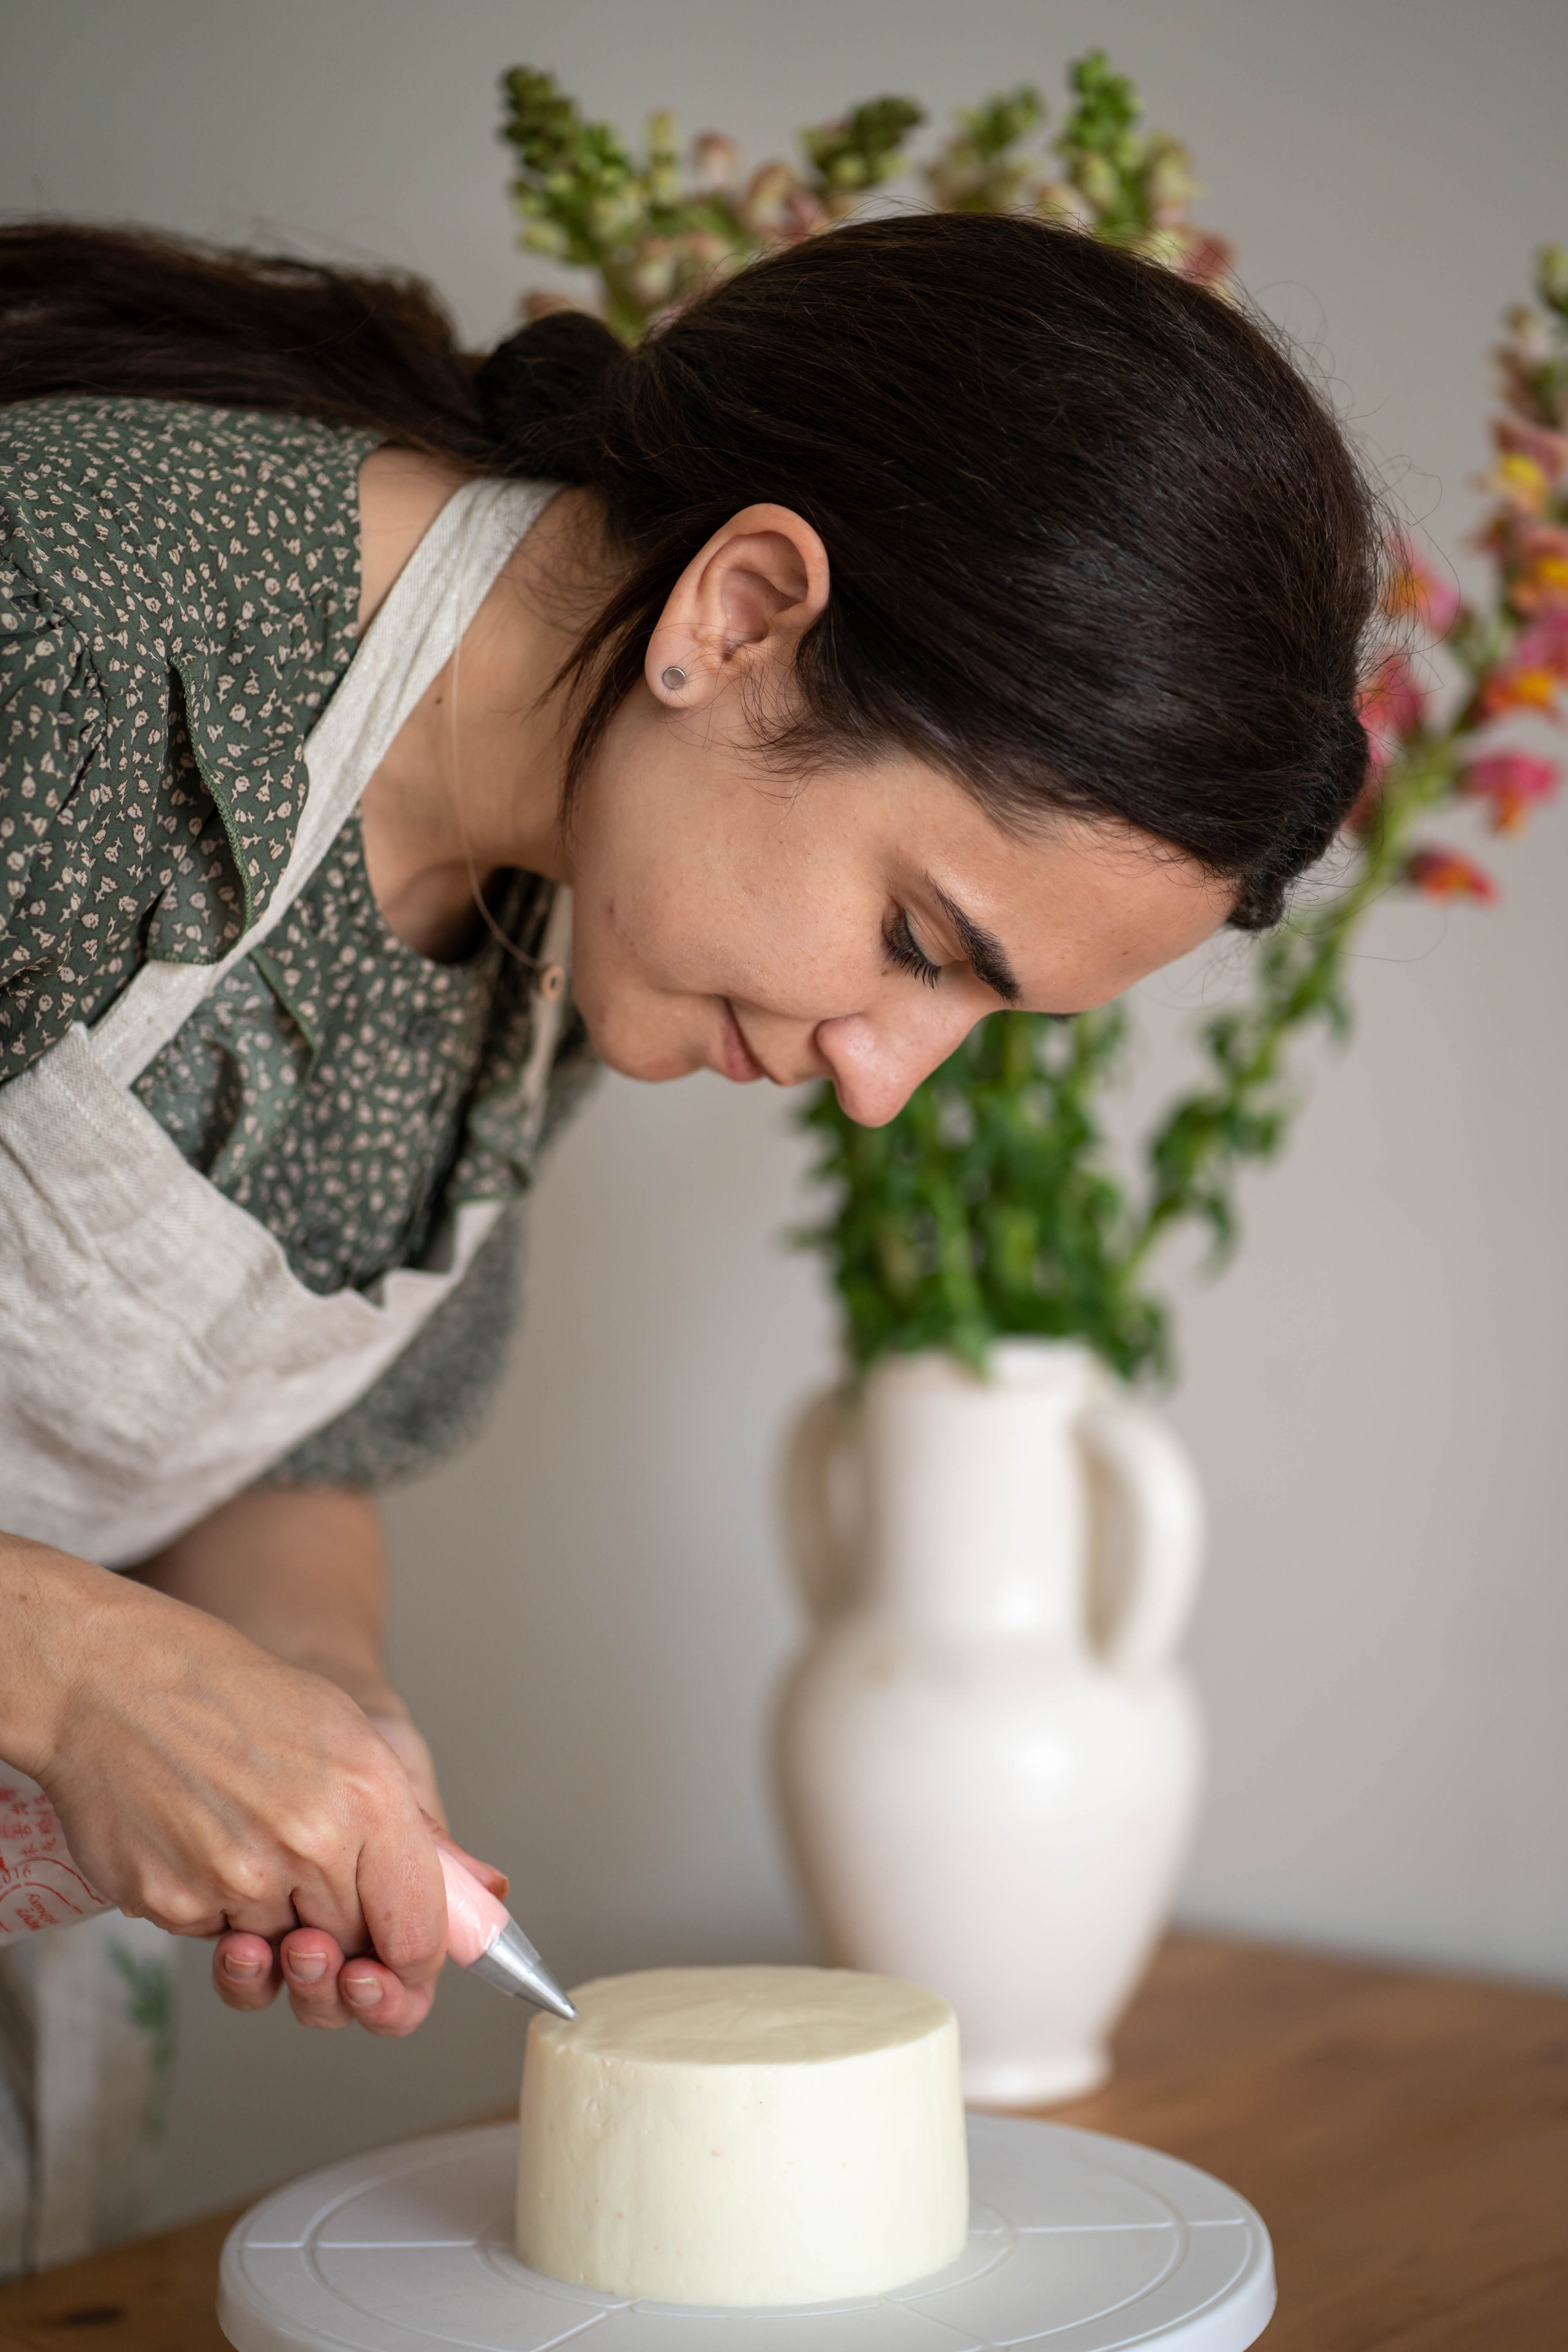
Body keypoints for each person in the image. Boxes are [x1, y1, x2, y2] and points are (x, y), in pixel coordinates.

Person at [0, 209, 1378, 2268]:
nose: (887, 1077)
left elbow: (284, 1444)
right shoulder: (70, 634)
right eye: (922, 942)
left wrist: (308, 1685)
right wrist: (87, 1668)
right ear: (739, 615)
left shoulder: (572, 898)